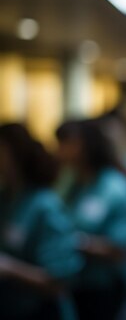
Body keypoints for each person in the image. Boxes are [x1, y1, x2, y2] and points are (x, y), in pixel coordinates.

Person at [55, 120, 126, 320]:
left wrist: (76, 242)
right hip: (71, 284)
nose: (61, 151)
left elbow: (121, 250)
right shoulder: (68, 183)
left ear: (88, 145)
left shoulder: (115, 187)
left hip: (103, 286)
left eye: (68, 143)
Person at [0, 123, 82, 320]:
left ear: (15, 155)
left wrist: (9, 268)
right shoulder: (6, 198)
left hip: (41, 311)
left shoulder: (45, 205)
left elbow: (57, 282)